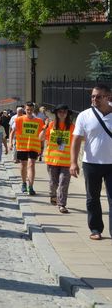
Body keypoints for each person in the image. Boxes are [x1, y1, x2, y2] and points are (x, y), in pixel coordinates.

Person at [70, 84, 112, 240]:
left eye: (99, 96)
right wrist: (73, 162)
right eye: (93, 96)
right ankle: (95, 229)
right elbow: (75, 140)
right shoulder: (84, 115)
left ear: (109, 97)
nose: (95, 99)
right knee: (92, 198)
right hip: (91, 163)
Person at [44, 104, 74, 214]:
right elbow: (41, 137)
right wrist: (45, 127)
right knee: (54, 183)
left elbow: (76, 141)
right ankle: (52, 194)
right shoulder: (51, 125)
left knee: (63, 183)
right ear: (56, 113)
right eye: (60, 112)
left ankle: (62, 205)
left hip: (66, 161)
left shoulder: (71, 127)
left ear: (67, 114)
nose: (62, 114)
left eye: (64, 112)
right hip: (52, 160)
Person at [10, 102, 45, 195]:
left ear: (34, 110)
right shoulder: (19, 120)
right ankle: (24, 183)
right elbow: (13, 132)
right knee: (23, 165)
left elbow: (42, 136)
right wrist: (10, 143)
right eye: (27, 110)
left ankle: (31, 186)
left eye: (31, 110)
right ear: (25, 109)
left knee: (31, 165)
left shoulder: (39, 121)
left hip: (34, 146)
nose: (29, 111)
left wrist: (42, 147)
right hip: (22, 146)